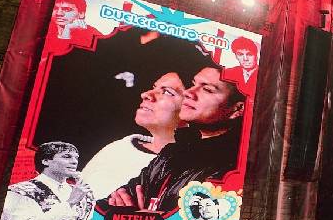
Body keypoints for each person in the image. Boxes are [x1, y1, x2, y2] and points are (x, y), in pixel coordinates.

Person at [105, 65, 246, 212]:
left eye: (207, 89)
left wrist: (149, 219)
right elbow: (115, 200)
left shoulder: (232, 166)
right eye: (193, 84)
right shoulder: (172, 152)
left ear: (237, 109)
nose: (189, 93)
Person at [81, 71, 187, 199]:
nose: (145, 94)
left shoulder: (190, 168)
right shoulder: (120, 147)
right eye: (154, 88)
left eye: (167, 92)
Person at [0, 141, 95, 220]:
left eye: (76, 157)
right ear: (46, 161)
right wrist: (70, 202)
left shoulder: (82, 193)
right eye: (66, 156)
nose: (74, 161)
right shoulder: (18, 191)